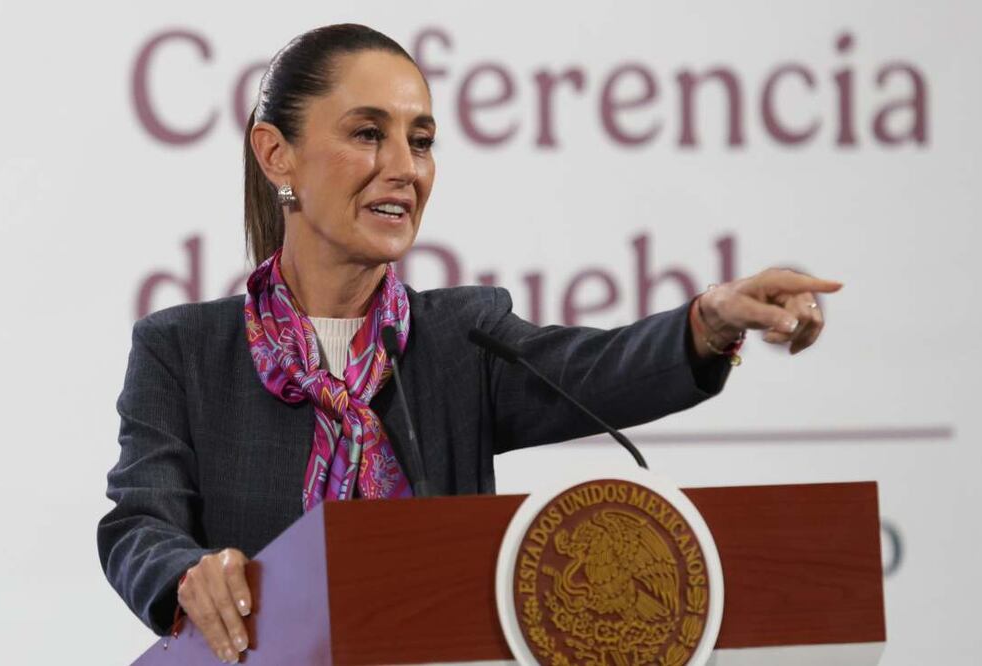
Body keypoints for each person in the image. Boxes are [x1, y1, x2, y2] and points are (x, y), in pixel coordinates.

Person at [97, 24, 842, 664]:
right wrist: (187, 573)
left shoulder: (458, 339)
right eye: (367, 133)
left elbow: (599, 369)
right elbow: (140, 521)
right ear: (276, 155)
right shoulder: (183, 350)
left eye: (419, 141)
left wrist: (707, 322)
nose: (404, 167)